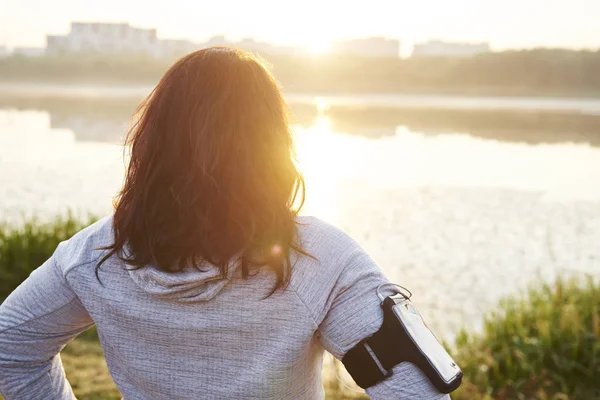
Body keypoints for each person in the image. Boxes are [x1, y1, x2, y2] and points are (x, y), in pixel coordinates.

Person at [0, 48, 449, 400]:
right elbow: (416, 392)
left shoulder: (95, 255)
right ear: (272, 143)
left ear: (151, 139)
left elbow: (9, 345)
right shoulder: (323, 258)